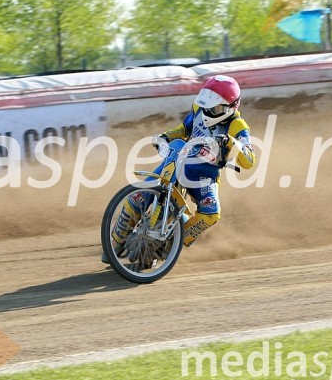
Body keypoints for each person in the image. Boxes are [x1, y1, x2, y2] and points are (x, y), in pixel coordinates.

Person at [103, 74, 256, 263]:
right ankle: (116, 242)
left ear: (230, 108)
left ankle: (171, 244)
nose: (207, 111)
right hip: (180, 157)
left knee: (211, 213)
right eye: (206, 105)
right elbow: (184, 129)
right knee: (141, 193)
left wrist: (232, 142)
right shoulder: (199, 109)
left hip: (205, 175)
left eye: (214, 108)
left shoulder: (238, 125)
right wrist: (165, 136)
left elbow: (249, 160)